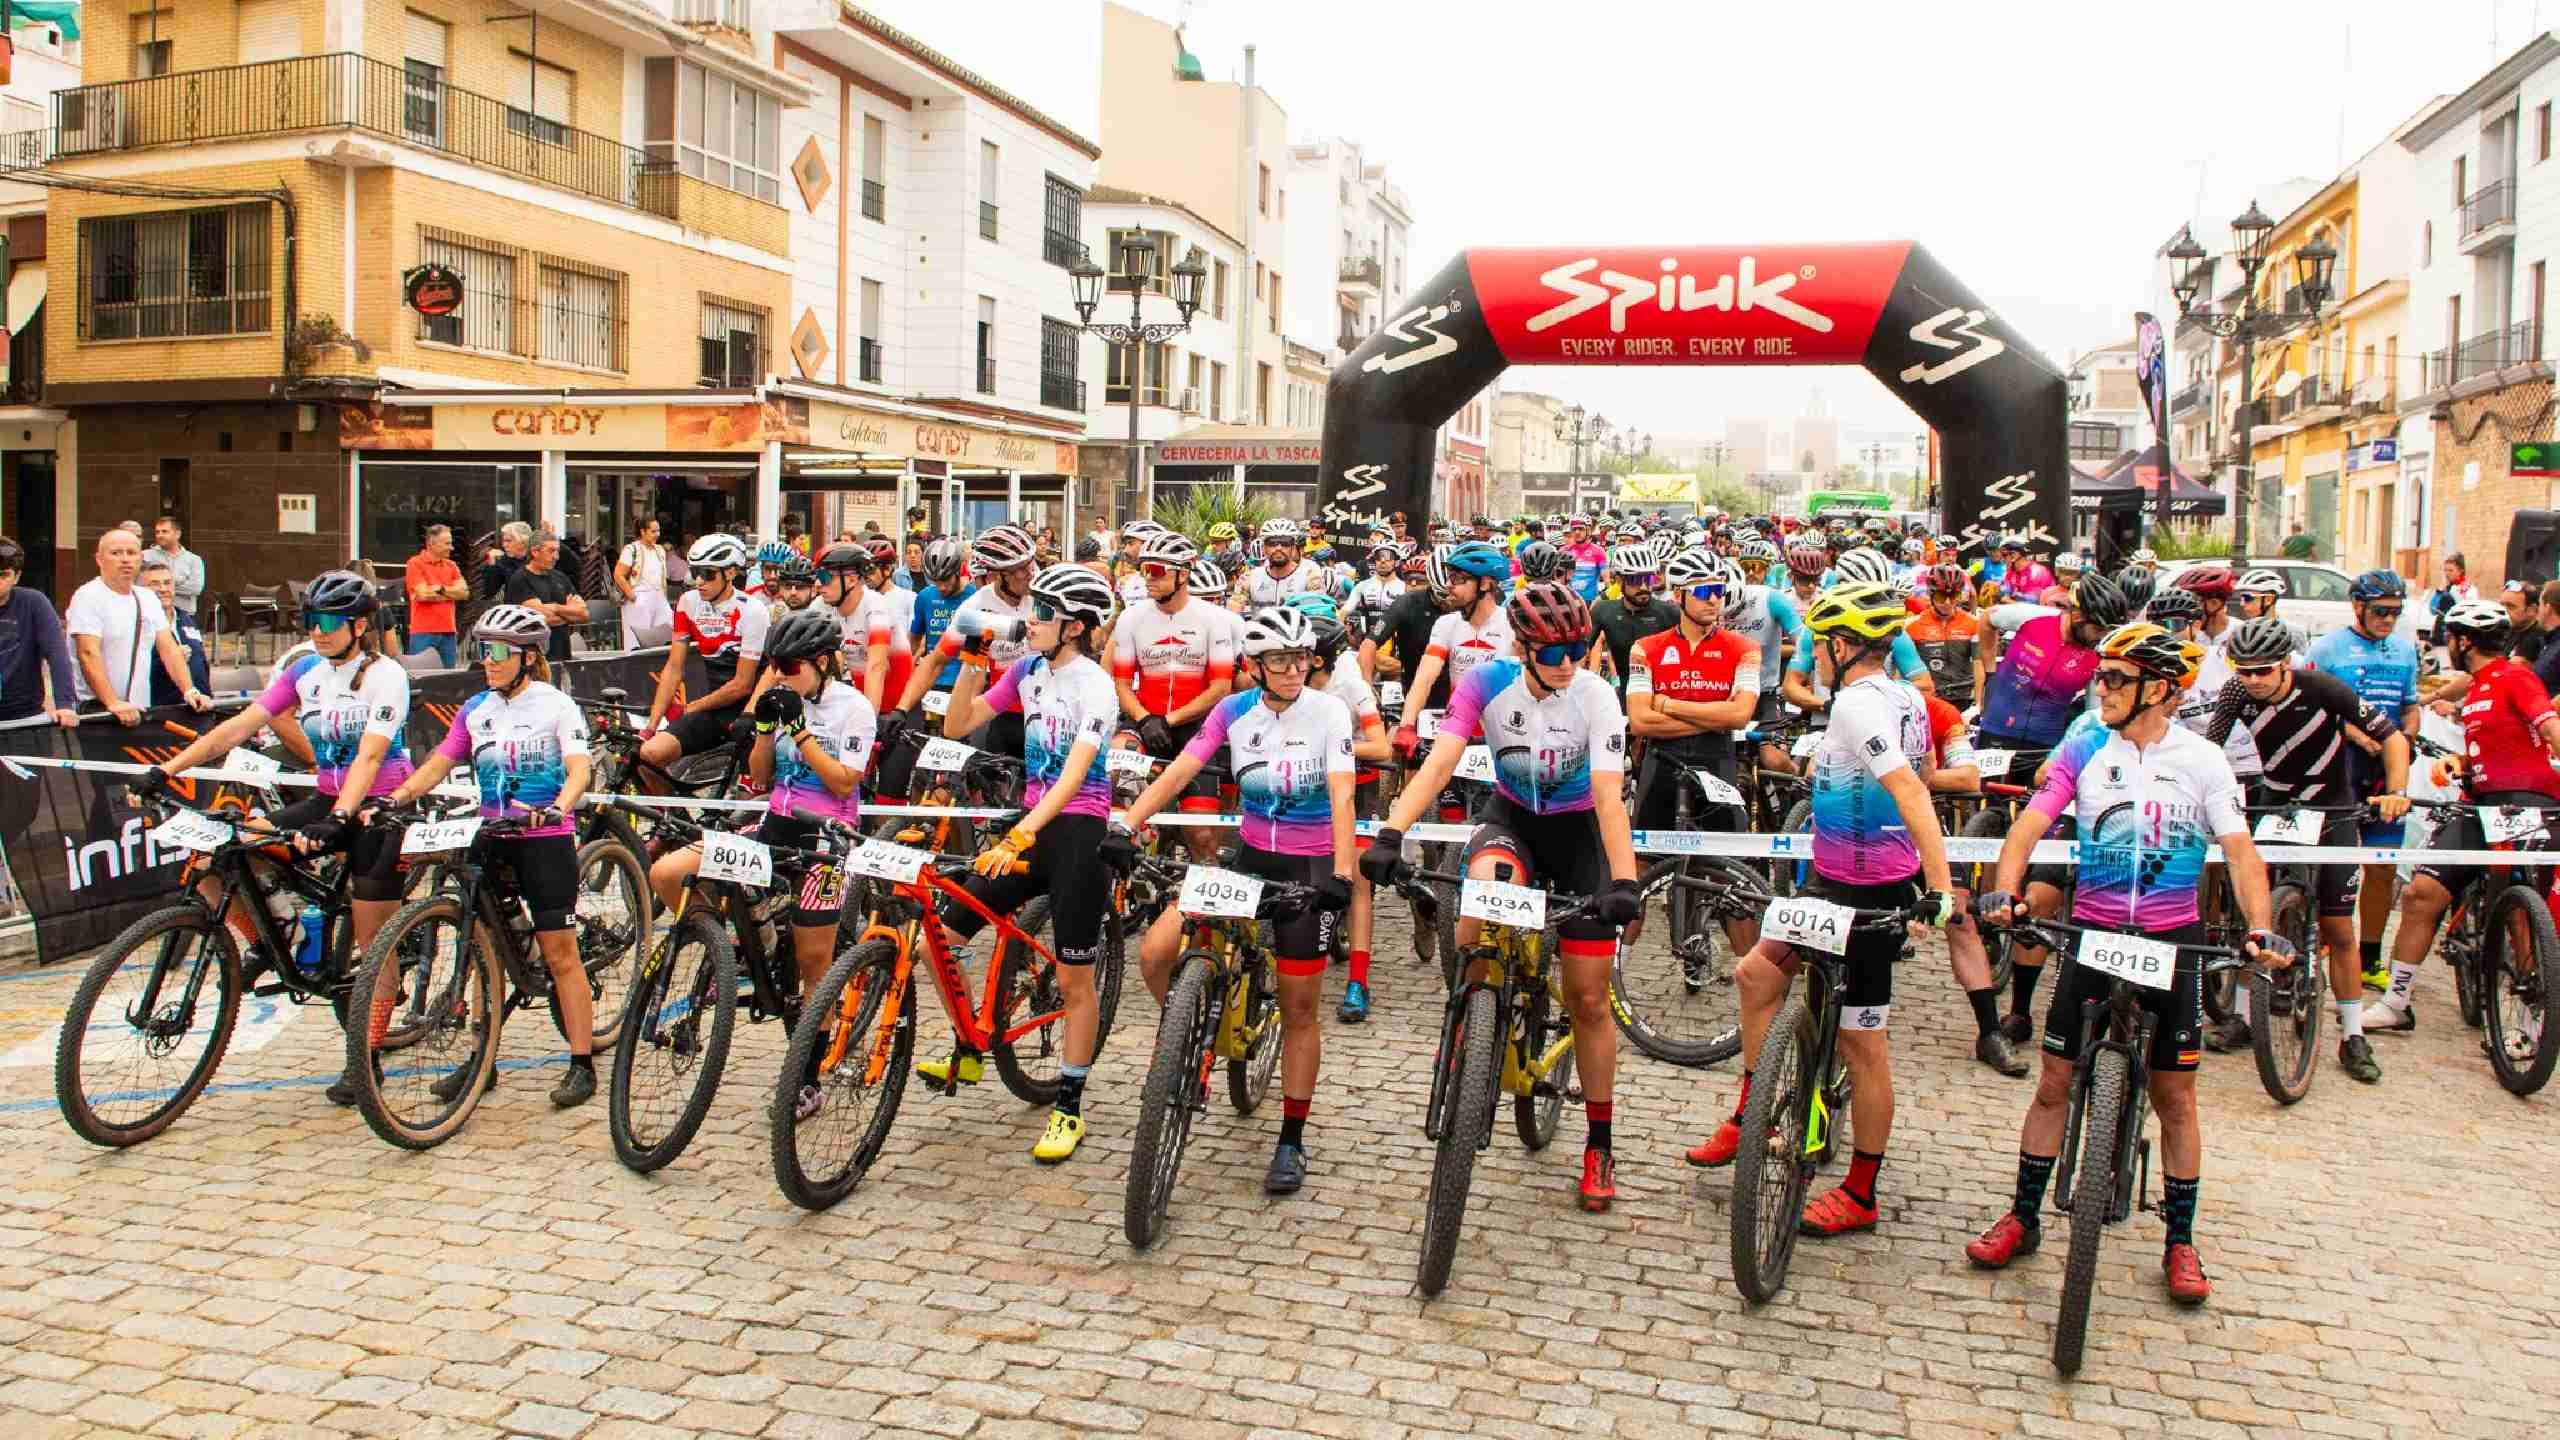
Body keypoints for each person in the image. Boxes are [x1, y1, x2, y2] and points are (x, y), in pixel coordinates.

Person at [1966, 622, 2283, 1308]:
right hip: (2094, 932)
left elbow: (2240, 850)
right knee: (2052, 1084)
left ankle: (2180, 1239)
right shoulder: (2085, 745)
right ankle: (2022, 1217)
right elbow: (2031, 824)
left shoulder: (2203, 761)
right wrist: (2007, 889)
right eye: (2099, 675)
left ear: (2162, 690)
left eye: (2115, 678)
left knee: (2176, 1099)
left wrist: (2260, 928)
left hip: (2172, 939)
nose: (2099, 688)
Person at [1682, 582, 1960, 1238]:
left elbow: (1911, 792)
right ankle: (1751, 1113)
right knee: (1755, 976)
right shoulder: (1904, 698)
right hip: (1828, 884)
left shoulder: (1861, 706)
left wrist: (1942, 888)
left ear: (1840, 645)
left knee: (1864, 1045)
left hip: (1873, 892)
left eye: (1820, 644)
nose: (1816, 655)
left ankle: (1861, 1193)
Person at [1363, 581, 1641, 1211]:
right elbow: (1439, 765)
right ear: (1521, 648)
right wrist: (1391, 832)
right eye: (1552, 653)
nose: (1568, 662)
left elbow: (1606, 798)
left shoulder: (1596, 696)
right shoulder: (1486, 683)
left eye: (1576, 647)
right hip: (1512, 818)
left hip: (1579, 837)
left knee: (1589, 998)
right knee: (1479, 899)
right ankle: (1473, 1014)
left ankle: (1600, 1142)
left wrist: (1623, 881)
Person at [134, 571, 415, 1106]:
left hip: (378, 806)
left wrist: (344, 815)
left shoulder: (387, 676)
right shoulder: (307, 669)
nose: (319, 631)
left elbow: (372, 755)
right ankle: (271, 940)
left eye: (330, 622)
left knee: (372, 938)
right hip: (328, 797)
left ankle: (368, 1058)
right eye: (311, 621)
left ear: (360, 625)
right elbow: (239, 726)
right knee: (219, 853)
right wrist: (168, 769)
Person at [1109, 606, 1356, 1192]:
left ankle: (1292, 1139)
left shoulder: (1328, 712)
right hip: (1247, 860)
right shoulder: (1232, 710)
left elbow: (1343, 796)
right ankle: (1186, 1045)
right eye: (1279, 660)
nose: (1293, 670)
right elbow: (1178, 771)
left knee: (1299, 1009)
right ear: (1256, 666)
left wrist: (1341, 876)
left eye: (1301, 659)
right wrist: (1128, 822)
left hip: (1309, 863)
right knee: (1156, 951)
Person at [930, 564, 1121, 1163]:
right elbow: (959, 725)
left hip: (1078, 831)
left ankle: (1069, 1104)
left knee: (1073, 979)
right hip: (1031, 827)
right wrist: (971, 658)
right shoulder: (1027, 672)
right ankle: (968, 1042)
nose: (1031, 620)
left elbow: (1075, 773)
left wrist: (1022, 833)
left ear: (1076, 627)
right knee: (943, 927)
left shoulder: (1095, 684)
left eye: (1043, 612)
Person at [375, 606, 602, 1108]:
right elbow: (439, 763)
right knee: (482, 949)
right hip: (492, 834)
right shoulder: (476, 708)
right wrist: (396, 800)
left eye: (499, 652)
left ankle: (581, 1062)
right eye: (483, 651)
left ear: (527, 657)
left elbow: (580, 770)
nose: (489, 661)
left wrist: (558, 806)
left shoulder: (556, 705)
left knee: (561, 951)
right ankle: (482, 1059)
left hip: (543, 837)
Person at [653, 608, 873, 1119]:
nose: (779, 673)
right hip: (775, 828)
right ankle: (736, 943)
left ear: (823, 662)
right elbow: (759, 777)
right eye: (774, 664)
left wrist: (800, 734)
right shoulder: (781, 696)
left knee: (814, 962)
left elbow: (844, 782)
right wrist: (764, 732)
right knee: (668, 872)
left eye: (788, 666)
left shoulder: (853, 708)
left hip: (825, 841)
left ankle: (809, 1078)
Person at [2203, 616, 2410, 1080]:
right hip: (2275, 799)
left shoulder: (2322, 688)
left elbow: (2391, 737)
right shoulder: (2237, 694)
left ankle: (2353, 1035)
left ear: (2285, 666)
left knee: (2338, 927)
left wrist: (2396, 789)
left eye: (2263, 670)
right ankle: (2240, 1014)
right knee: (2255, 912)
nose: (2252, 679)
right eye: (2244, 669)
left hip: (2332, 805)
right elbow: (2209, 752)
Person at [2375, 599, 2560, 1039]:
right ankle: (2395, 1002)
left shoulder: (2517, 678)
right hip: (2477, 804)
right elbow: (2495, 738)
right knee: (2421, 894)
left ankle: (2533, 1008)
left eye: (2451, 639)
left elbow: (2550, 727)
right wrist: (2459, 760)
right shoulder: (2480, 684)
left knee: (2522, 904)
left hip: (2527, 804)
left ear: (2462, 641)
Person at [1624, 550, 1761, 956]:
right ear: (1679, 596)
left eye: (1718, 590)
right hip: (1660, 763)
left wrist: (1667, 703)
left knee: (1732, 878)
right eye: (1703, 591)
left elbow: (1740, 714)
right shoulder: (1645, 648)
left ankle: (1753, 983)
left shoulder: (1745, 647)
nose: (1714, 599)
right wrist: (1712, 715)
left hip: (1717, 762)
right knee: (1639, 873)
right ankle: (1613, 972)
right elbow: (1641, 722)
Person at [2302, 569, 2423, 999]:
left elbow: (2411, 705)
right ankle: (2318, 947)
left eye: (2395, 612)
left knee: (2383, 864)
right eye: (2380, 612)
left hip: (2387, 763)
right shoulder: (2327, 648)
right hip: (2342, 762)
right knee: (2335, 861)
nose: (2388, 620)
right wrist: (2359, 735)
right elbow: (2315, 706)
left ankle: (2370, 957)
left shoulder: (2405, 650)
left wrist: (2403, 739)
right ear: (2358, 607)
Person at [1110, 530, 1237, 861]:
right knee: (1114, 779)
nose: (1147, 578)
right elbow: (1121, 683)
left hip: (1196, 729)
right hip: (1143, 719)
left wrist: (1168, 720)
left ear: (1183, 574)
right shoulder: (1131, 618)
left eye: (1156, 570)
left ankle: (1195, 904)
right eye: (1143, 569)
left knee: (1203, 835)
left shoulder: (1214, 620)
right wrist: (1145, 719)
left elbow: (1221, 687)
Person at [637, 534, 769, 777]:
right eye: (695, 571)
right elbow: (674, 668)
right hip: (716, 708)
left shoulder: (752, 610)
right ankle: (673, 815)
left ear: (730, 573)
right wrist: (651, 726)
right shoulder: (688, 602)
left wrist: (692, 707)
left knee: (748, 795)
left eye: (707, 574)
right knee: (648, 755)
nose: (698, 581)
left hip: (751, 711)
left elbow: (742, 685)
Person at [67, 527, 210, 723]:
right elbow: (88, 653)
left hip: (139, 709)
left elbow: (168, 648)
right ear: (99, 559)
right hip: (100, 711)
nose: (125, 559)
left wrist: (189, 690)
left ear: (140, 558)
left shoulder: (147, 598)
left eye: (131, 553)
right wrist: (113, 703)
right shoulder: (88, 596)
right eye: (116, 553)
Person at [1391, 541, 1515, 758]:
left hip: (1501, 735)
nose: (1449, 585)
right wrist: (1407, 725)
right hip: (1456, 732)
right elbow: (1424, 678)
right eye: (1449, 578)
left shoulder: (1512, 626)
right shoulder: (1447, 624)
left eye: (1457, 579)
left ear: (1485, 584)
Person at [0, 537, 81, 726]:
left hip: (25, 717)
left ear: (17, 577)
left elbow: (57, 653)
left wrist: (65, 703)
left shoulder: (33, 602)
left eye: (3, 575)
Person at [139, 557, 211, 708]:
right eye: (154, 584)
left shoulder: (186, 619)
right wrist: (168, 658)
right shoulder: (138, 624)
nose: (163, 589)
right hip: (163, 709)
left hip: (199, 706)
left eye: (167, 582)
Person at [504, 534, 587, 663]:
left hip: (562, 656)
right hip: (534, 660)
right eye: (551, 551)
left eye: (557, 551)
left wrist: (555, 607)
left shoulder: (560, 577)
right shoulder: (520, 579)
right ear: (535, 552)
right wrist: (568, 614)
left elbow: (583, 614)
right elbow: (541, 619)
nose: (556, 556)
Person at [403, 525, 468, 667]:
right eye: (447, 543)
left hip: (448, 632)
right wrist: (452, 593)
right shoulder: (415, 563)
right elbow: (423, 594)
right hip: (423, 632)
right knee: (421, 678)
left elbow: (464, 593)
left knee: (447, 679)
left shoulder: (451, 565)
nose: (451, 547)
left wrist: (440, 589)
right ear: (432, 543)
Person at [1237, 518, 1327, 611]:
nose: (1279, 548)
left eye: (1285, 543)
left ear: (1293, 548)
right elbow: (1233, 610)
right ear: (1264, 548)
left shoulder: (1311, 578)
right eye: (1272, 543)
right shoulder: (1249, 577)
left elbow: (1319, 613)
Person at [615, 517, 673, 649]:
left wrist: (663, 596)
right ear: (643, 532)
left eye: (658, 531)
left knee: (668, 630)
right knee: (636, 638)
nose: (657, 534)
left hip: (658, 596)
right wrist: (632, 596)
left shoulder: (660, 550)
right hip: (639, 596)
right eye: (653, 531)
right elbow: (618, 574)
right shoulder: (631, 549)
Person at [151, 516, 204, 619]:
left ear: (177, 534)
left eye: (164, 531)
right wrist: (180, 582)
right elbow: (141, 586)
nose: (160, 535)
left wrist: (159, 585)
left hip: (185, 615)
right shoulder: (145, 557)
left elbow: (195, 588)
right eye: (157, 532)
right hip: (154, 614)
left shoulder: (194, 560)